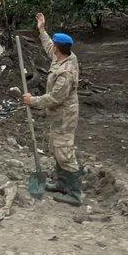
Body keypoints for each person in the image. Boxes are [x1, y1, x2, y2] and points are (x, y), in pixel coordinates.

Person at [22, 12, 82, 205]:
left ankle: (74, 194)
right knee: (57, 149)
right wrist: (41, 28)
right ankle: (61, 184)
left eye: (54, 46)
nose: (52, 47)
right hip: (58, 116)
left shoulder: (66, 72)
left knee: (64, 151)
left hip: (64, 115)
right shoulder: (65, 56)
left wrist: (33, 100)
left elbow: (56, 98)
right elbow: (48, 46)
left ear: (59, 49)